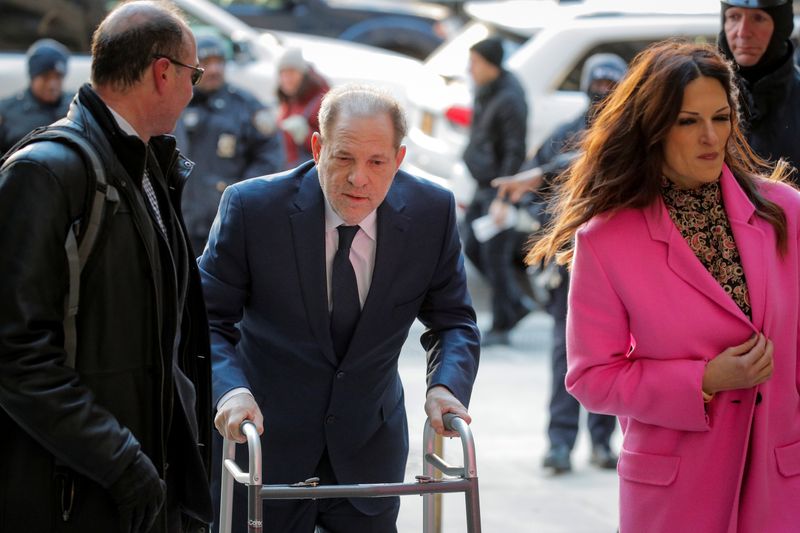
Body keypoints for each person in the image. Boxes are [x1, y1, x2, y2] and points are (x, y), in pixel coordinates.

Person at [529, 39, 800, 532]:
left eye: (720, 118)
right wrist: (703, 381)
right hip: (675, 495)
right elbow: (591, 378)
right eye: (688, 121)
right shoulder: (607, 239)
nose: (710, 137)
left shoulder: (785, 212)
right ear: (654, 130)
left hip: (781, 483)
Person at [200, 84, 480, 532]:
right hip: (264, 444)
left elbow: (454, 321)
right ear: (317, 148)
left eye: (376, 163)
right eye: (344, 158)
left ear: (399, 159)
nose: (358, 179)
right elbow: (206, 319)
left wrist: (446, 386)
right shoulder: (253, 209)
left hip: (368, 447)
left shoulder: (432, 212)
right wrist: (230, 390)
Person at [0, 2, 214, 532]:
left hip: (138, 486)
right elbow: (16, 355)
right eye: (194, 74)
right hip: (75, 493)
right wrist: (118, 460)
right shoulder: (46, 172)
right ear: (164, 73)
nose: (195, 90)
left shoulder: (142, 163)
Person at [495, 53, 628, 473]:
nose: (604, 93)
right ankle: (559, 443)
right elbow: (535, 195)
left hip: (620, 268)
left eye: (612, 86)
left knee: (613, 356)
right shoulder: (564, 135)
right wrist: (553, 231)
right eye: (598, 85)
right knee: (564, 354)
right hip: (570, 265)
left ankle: (603, 442)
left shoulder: (629, 139)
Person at [176, 34, 285, 252]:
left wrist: (242, 196)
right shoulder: (177, 103)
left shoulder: (245, 106)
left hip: (228, 223)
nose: (214, 69)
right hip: (182, 223)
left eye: (219, 62)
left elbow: (271, 154)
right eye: (206, 63)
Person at [462, 36, 531, 347]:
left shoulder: (510, 99)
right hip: (482, 185)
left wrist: (504, 197)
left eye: (475, 63)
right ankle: (515, 304)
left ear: (490, 65)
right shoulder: (486, 90)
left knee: (494, 255)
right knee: (473, 246)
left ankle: (504, 321)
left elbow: (515, 151)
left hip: (499, 189)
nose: (470, 69)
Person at [719, 0, 800, 175]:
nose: (743, 32)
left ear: (781, 26)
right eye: (734, 17)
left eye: (758, 18)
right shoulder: (699, 97)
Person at [0, 38, 72, 154]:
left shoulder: (75, 107)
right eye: (45, 77)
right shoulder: (7, 112)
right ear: (33, 77)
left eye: (57, 77)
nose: (52, 85)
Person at [277, 46, 331, 168]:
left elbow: (333, 147)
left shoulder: (322, 101)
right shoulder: (289, 99)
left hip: (310, 173)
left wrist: (306, 135)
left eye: (291, 73)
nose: (287, 79)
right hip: (288, 170)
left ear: (303, 74)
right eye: (283, 74)